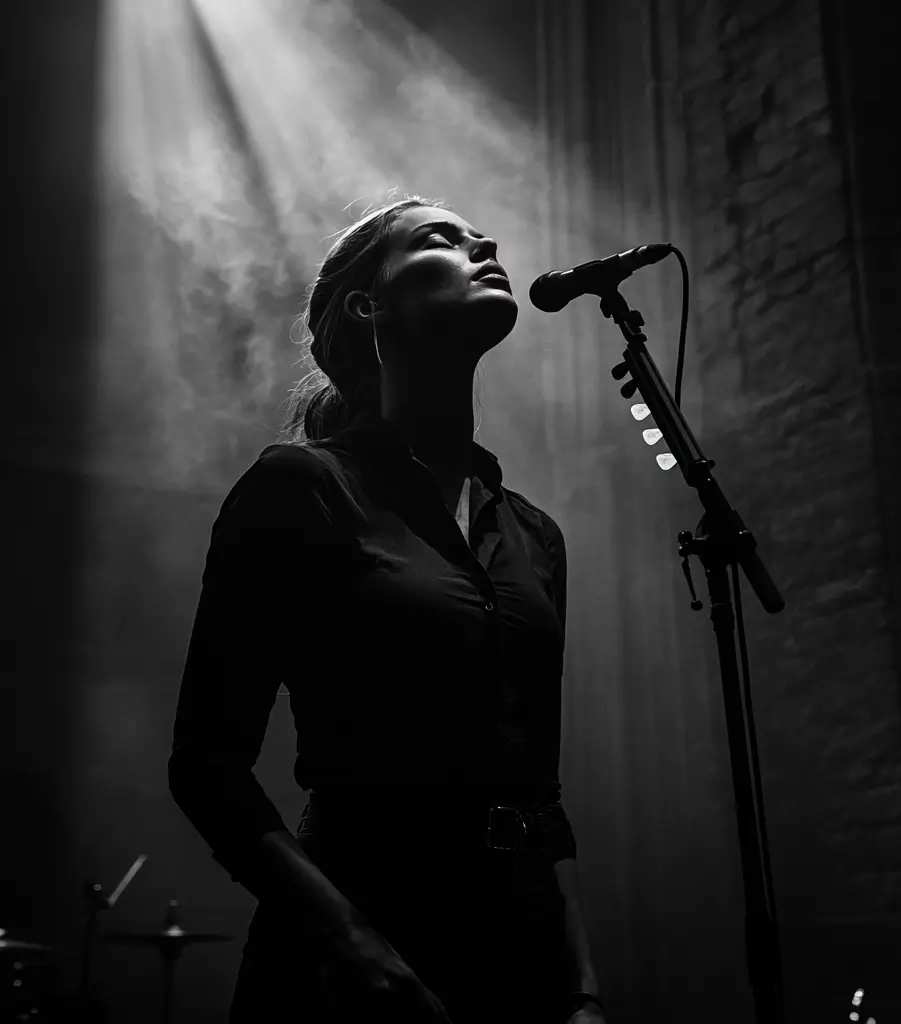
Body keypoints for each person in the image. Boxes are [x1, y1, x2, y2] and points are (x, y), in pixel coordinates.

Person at [168, 195, 607, 1023]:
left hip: (515, 952)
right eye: (443, 238)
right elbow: (205, 765)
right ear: (370, 304)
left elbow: (541, 796)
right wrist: (351, 944)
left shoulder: (534, 535)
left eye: (481, 233)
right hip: (355, 944)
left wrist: (581, 987)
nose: (485, 242)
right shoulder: (303, 488)